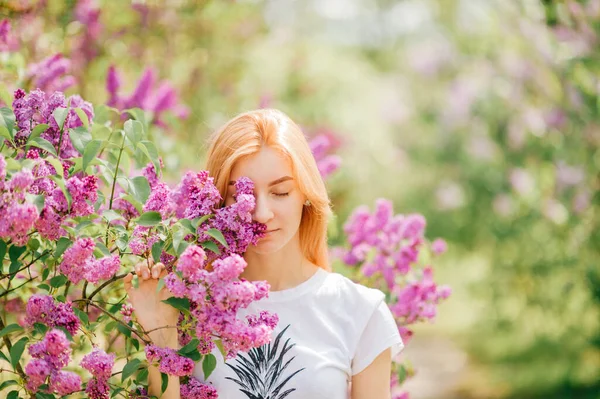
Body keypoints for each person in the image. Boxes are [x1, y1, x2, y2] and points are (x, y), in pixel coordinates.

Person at [123, 109, 404, 399]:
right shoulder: (189, 306)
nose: (261, 213)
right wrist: (160, 334)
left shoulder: (360, 312)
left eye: (280, 192)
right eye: (240, 195)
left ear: (305, 194)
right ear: (217, 199)